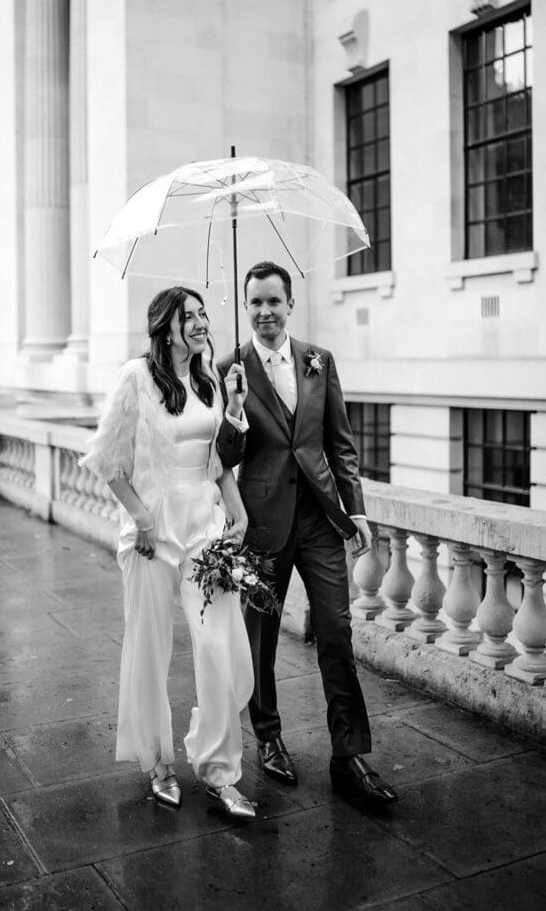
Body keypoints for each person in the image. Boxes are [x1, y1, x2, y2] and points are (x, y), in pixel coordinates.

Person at [217, 260, 398, 806]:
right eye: (256, 303)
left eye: (274, 301)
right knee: (261, 641)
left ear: (290, 304)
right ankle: (269, 739)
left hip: (320, 519)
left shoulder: (320, 361)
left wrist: (357, 510)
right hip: (263, 523)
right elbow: (223, 460)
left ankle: (349, 756)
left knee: (337, 633)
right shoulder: (231, 367)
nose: (265, 311)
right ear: (245, 308)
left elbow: (338, 442)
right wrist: (232, 408)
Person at [79, 286, 256, 819]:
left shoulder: (210, 380)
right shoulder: (136, 379)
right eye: (190, 317)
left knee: (218, 645)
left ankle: (221, 771)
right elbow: (106, 461)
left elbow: (216, 462)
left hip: (206, 525)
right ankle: (158, 764)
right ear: (165, 327)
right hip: (155, 532)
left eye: (204, 315)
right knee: (151, 648)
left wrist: (239, 512)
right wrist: (142, 518)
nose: (202, 323)